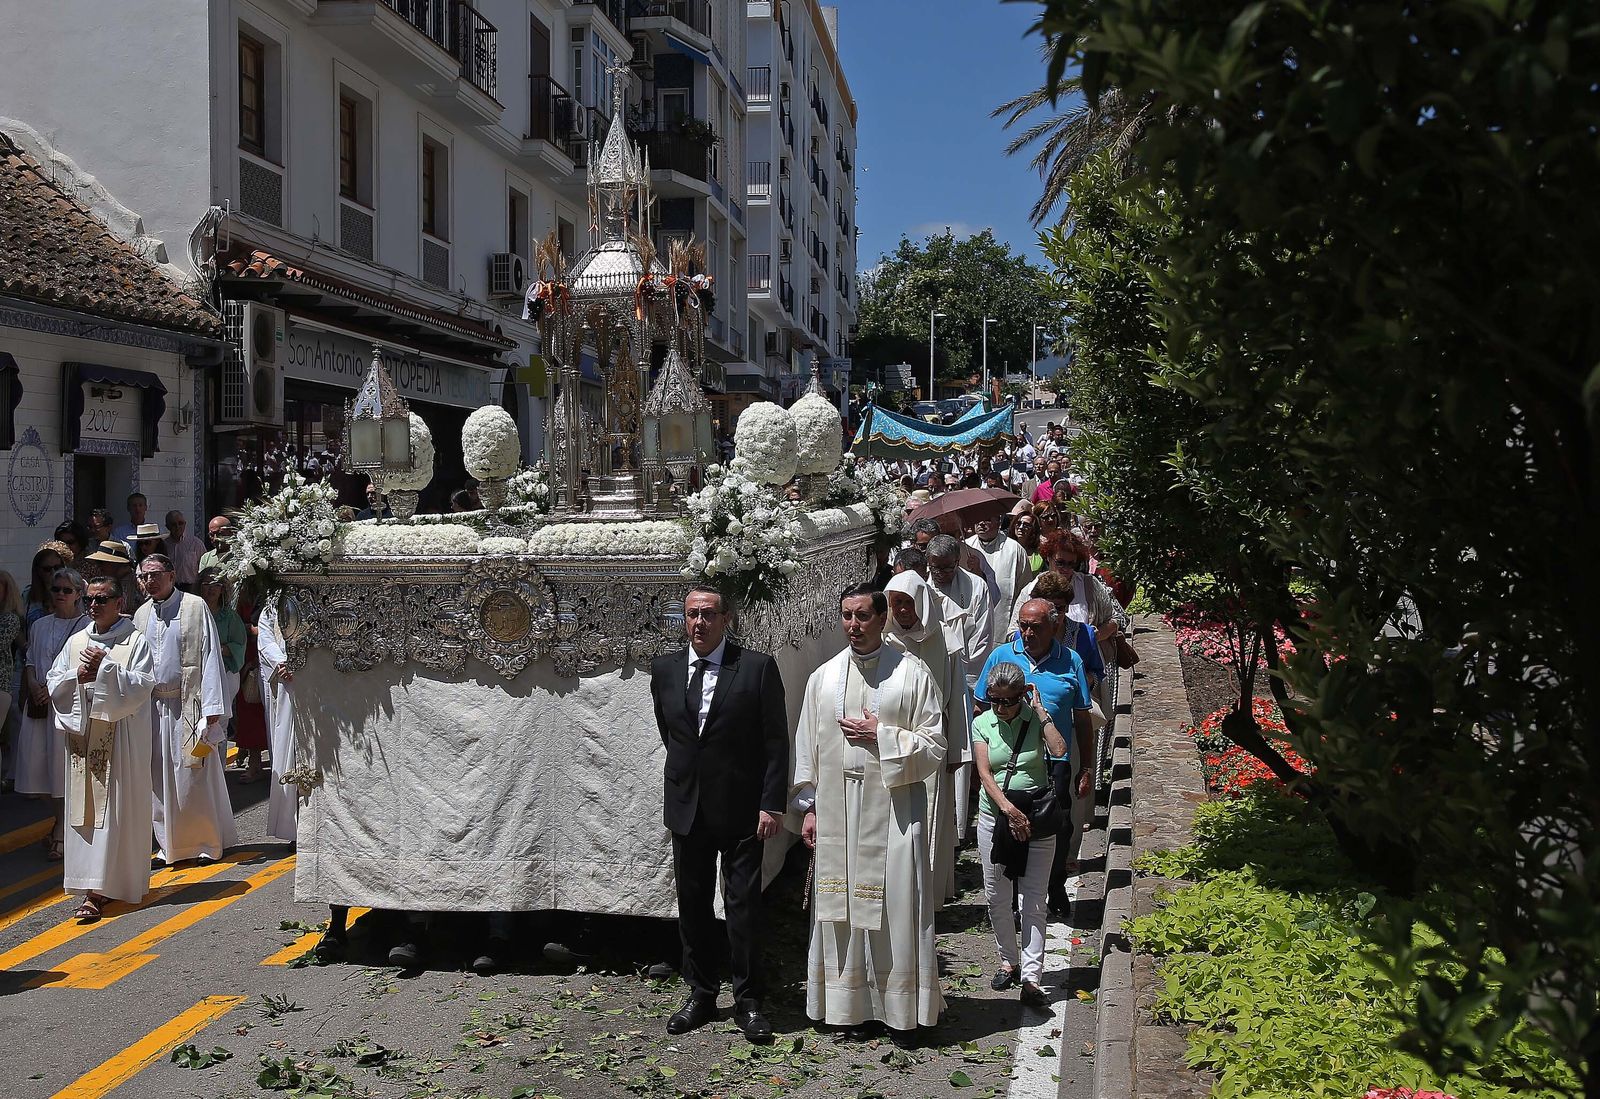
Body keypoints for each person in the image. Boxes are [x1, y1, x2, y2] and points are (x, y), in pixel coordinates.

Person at [790, 584, 948, 1037]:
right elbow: (807, 748)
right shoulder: (824, 677)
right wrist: (811, 809)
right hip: (839, 809)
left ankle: (896, 1010)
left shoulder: (912, 674)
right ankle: (847, 1007)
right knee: (839, 906)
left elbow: (935, 746)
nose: (853, 626)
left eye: (862, 616)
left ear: (882, 619)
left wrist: (883, 735)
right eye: (846, 616)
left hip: (895, 811)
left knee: (895, 905)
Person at [649, 586, 788, 1043]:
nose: (699, 623)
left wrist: (770, 803)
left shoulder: (755, 668)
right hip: (688, 807)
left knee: (742, 907)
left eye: (708, 614)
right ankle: (701, 993)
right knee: (692, 905)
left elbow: (774, 743)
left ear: (727, 618)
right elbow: (673, 735)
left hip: (742, 808)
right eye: (691, 615)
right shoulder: (666, 670)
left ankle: (748, 998)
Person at [977, 597, 1097, 916]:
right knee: (1012, 829)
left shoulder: (1070, 661)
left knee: (1056, 826)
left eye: (1036, 627)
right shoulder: (1001, 656)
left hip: (1054, 761)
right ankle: (1017, 896)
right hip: (1009, 763)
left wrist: (1086, 766)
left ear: (1055, 626)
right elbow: (980, 707)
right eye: (1023, 626)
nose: (1027, 633)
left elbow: (1083, 720)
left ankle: (1055, 884)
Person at [47, 576, 157, 921]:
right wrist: (78, 675)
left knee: (116, 812)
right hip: (85, 733)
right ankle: (91, 887)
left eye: (102, 599)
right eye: (90, 600)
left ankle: (109, 886)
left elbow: (142, 686)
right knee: (89, 812)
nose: (94, 605)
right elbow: (55, 679)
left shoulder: (134, 641)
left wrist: (105, 668)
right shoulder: (77, 640)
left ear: (118, 603)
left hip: (120, 738)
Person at [971, 660, 1067, 1007]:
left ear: (1023, 695)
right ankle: (1008, 959)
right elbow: (985, 773)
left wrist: (1041, 713)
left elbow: (1059, 750)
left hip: (1037, 819)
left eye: (1009, 701)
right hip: (996, 819)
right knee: (997, 894)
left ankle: (1031, 977)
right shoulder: (982, 723)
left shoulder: (1035, 718)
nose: (1001, 708)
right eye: (995, 700)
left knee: (1033, 899)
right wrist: (1009, 812)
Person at [132, 554, 236, 865]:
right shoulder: (140, 615)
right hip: (153, 707)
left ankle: (205, 844)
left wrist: (213, 705)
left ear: (172, 574)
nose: (150, 581)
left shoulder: (194, 606)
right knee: (158, 778)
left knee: (193, 776)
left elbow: (209, 656)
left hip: (189, 704)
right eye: (144, 576)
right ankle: (169, 846)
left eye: (156, 574)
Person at [883, 571, 969, 904]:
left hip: (932, 741)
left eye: (909, 603)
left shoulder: (945, 642)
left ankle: (928, 897)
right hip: (892, 740)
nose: (903, 610)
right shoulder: (884, 639)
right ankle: (898, 895)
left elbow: (958, 696)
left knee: (932, 820)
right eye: (897, 603)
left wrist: (957, 751)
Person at [17, 568, 88, 859]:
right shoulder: (41, 625)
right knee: (35, 769)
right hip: (39, 706)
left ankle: (62, 831)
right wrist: (34, 684)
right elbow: (31, 659)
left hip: (66, 705)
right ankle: (59, 819)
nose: (60, 594)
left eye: (66, 590)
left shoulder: (86, 627)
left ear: (78, 595)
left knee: (61, 771)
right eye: (56, 589)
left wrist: (54, 688)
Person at [256, 597, 298, 844]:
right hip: (286, 682)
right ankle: (292, 824)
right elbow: (266, 637)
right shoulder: (272, 603)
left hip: (314, 679)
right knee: (286, 749)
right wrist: (283, 663)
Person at [967, 512, 1029, 650]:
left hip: (1003, 624)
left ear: (999, 522)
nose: (981, 523)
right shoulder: (966, 547)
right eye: (978, 519)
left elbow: (1025, 589)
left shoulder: (1014, 550)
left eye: (987, 519)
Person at [199, 570, 245, 728]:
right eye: (206, 584)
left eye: (216, 585)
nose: (211, 589)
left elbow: (239, 646)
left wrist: (216, 649)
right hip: (197, 674)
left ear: (222, 589)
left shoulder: (231, 617)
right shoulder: (193, 613)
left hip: (225, 673)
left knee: (219, 725)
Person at [84, 541, 142, 613]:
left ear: (116, 563)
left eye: (102, 562)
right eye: (98, 562)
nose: (99, 566)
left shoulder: (135, 583)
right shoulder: (108, 581)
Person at [22, 544, 69, 628]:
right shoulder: (27, 594)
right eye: (47, 569)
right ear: (38, 571)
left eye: (57, 567)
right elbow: (20, 625)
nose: (53, 572)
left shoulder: (71, 591)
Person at [163, 511, 206, 590]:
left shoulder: (196, 544)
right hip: (170, 588)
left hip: (191, 588)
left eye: (180, 523)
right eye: (173, 524)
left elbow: (204, 570)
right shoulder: (164, 545)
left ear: (185, 524)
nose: (177, 527)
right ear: (167, 526)